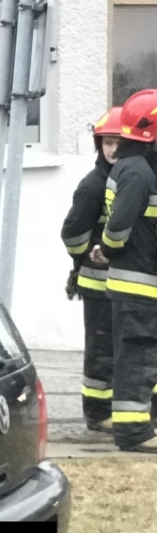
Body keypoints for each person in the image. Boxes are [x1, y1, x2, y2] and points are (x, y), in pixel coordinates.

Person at [92, 89, 157, 452]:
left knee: (147, 358)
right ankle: (133, 432)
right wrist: (109, 249)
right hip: (138, 289)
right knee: (137, 357)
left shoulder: (138, 168)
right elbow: (117, 228)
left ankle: (145, 422)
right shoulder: (137, 172)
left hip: (144, 287)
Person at [60, 107, 125, 431]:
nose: (113, 149)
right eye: (107, 143)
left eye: (118, 142)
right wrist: (88, 255)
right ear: (99, 145)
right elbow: (71, 232)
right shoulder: (93, 185)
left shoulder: (123, 178)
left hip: (120, 284)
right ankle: (98, 414)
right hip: (99, 285)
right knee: (101, 349)